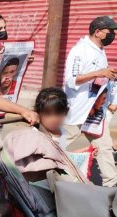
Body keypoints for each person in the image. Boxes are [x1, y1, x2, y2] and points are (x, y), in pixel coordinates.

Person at [63, 15, 117, 187]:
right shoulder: (79, 50)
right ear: (98, 32)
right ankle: (54, 181)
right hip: (77, 110)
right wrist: (98, 73)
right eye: (110, 32)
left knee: (105, 147)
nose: (113, 35)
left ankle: (112, 185)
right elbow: (71, 80)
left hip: (95, 110)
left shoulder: (100, 50)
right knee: (62, 147)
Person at [34, 87, 97, 156]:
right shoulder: (35, 133)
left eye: (58, 113)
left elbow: (63, 156)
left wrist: (86, 151)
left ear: (66, 112)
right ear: (38, 112)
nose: (53, 119)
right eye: (47, 113)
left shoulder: (63, 132)